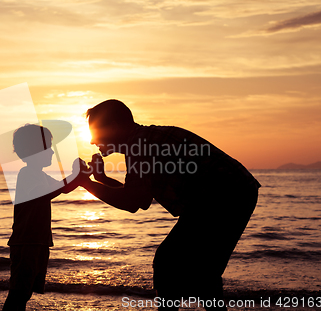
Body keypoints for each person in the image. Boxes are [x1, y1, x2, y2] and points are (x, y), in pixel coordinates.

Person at [79, 100, 260, 311]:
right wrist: (101, 179)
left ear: (114, 126)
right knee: (202, 271)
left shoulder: (141, 146)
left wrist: (85, 183)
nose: (92, 141)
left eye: (95, 132)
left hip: (224, 195)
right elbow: (140, 199)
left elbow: (132, 202)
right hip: (230, 193)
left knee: (169, 263)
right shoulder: (141, 142)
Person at [3, 124, 89, 311]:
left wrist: (82, 175)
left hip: (38, 242)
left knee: (24, 292)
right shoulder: (27, 174)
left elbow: (64, 188)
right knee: (19, 292)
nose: (51, 152)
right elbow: (48, 193)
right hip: (27, 242)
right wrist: (77, 174)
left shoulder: (39, 175)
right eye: (47, 147)